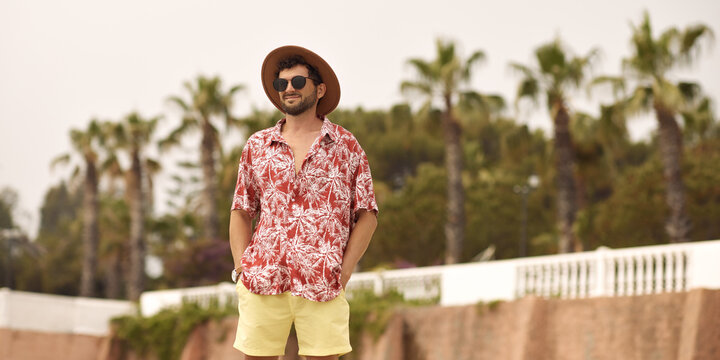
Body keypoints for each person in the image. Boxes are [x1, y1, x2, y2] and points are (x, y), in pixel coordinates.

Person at [229, 45, 378, 360]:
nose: (289, 90)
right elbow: (242, 211)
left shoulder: (346, 146)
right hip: (262, 278)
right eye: (281, 84)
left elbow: (367, 215)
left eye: (298, 82)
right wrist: (242, 269)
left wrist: (345, 270)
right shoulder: (257, 146)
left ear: (319, 88)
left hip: (323, 280)